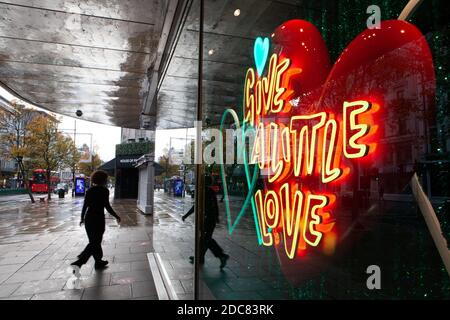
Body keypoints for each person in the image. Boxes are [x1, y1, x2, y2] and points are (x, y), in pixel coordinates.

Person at [70, 170, 121, 271]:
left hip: (89, 219)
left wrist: (82, 218)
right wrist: (116, 216)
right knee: (96, 242)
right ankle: (80, 261)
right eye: (106, 179)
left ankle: (98, 261)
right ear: (103, 180)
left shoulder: (90, 191)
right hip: (98, 219)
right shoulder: (105, 191)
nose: (106, 180)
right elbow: (107, 206)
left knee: (94, 242)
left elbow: (85, 206)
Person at [182, 176, 229, 268]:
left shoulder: (203, 192)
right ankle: (199, 257)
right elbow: (215, 206)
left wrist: (186, 215)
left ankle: (221, 255)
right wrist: (217, 217)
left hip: (207, 219)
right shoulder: (211, 191)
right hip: (211, 219)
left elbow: (195, 206)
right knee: (204, 239)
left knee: (206, 239)